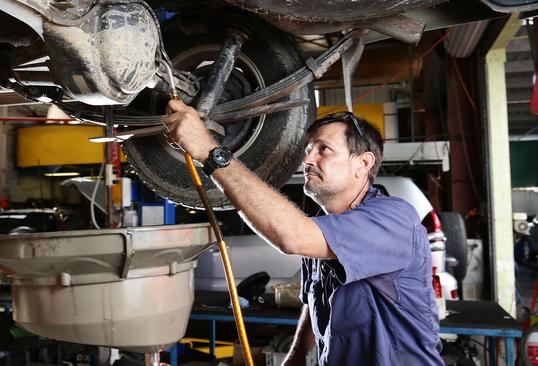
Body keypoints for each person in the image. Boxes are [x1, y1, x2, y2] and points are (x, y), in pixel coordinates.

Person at [163, 100, 443, 365]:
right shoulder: (325, 226)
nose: (307, 158)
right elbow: (315, 298)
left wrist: (208, 150)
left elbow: (291, 236)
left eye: (324, 149)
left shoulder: (393, 218)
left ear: (363, 163)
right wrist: (296, 355)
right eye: (309, 148)